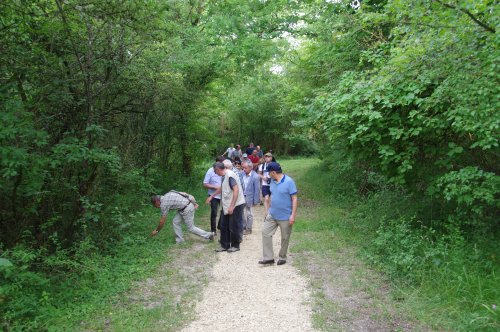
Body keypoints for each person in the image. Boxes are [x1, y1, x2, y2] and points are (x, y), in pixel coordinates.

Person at [259, 162, 298, 266]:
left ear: (273, 172)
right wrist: (267, 211)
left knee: (285, 237)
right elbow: (271, 195)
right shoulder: (271, 181)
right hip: (272, 214)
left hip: (285, 216)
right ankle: (268, 258)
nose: (267, 175)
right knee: (265, 232)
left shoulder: (289, 182)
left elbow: (294, 199)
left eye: (268, 173)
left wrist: (293, 215)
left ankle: (282, 257)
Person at [206, 162, 245, 252]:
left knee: (233, 226)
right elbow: (221, 187)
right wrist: (212, 196)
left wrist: (232, 206)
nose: (215, 173)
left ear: (218, 169)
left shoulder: (230, 175)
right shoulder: (224, 175)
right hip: (227, 204)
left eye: (215, 171)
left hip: (235, 204)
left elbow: (236, 190)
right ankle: (225, 245)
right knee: (223, 225)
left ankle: (235, 245)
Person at [150, 191, 214, 243]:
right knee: (175, 222)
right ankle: (180, 240)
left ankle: (209, 235)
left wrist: (157, 230)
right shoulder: (168, 193)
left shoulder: (164, 204)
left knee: (191, 228)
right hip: (185, 206)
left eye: (155, 205)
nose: (156, 207)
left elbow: (162, 221)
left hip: (187, 209)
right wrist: (194, 203)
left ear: (157, 201)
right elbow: (185, 194)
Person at [203, 158, 223, 234]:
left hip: (224, 195)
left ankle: (220, 226)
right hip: (213, 195)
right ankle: (213, 230)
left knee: (224, 211)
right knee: (214, 212)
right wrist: (215, 187)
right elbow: (205, 184)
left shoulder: (226, 170)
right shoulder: (210, 171)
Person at [241, 160, 260, 235]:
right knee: (241, 212)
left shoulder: (255, 176)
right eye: (243, 168)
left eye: (245, 168)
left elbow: (257, 189)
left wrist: (256, 201)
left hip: (249, 197)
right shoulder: (241, 174)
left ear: (250, 168)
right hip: (241, 196)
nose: (243, 169)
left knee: (249, 213)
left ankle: (249, 228)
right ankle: (243, 226)